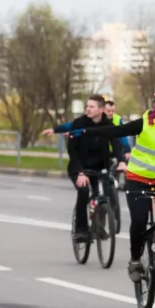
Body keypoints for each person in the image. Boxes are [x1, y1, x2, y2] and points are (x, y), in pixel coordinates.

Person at [56, 87, 155, 281]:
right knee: (139, 222)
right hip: (138, 180)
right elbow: (115, 131)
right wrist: (85, 131)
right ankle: (136, 260)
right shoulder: (144, 124)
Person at [41, 94, 127, 242]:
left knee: (106, 193)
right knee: (84, 190)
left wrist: (121, 161)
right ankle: (81, 230)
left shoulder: (108, 125)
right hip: (79, 167)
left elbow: (117, 143)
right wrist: (80, 172)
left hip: (101, 167)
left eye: (91, 107)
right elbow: (72, 151)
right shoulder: (79, 124)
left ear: (101, 109)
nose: (88, 109)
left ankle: (100, 226)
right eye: (87, 106)